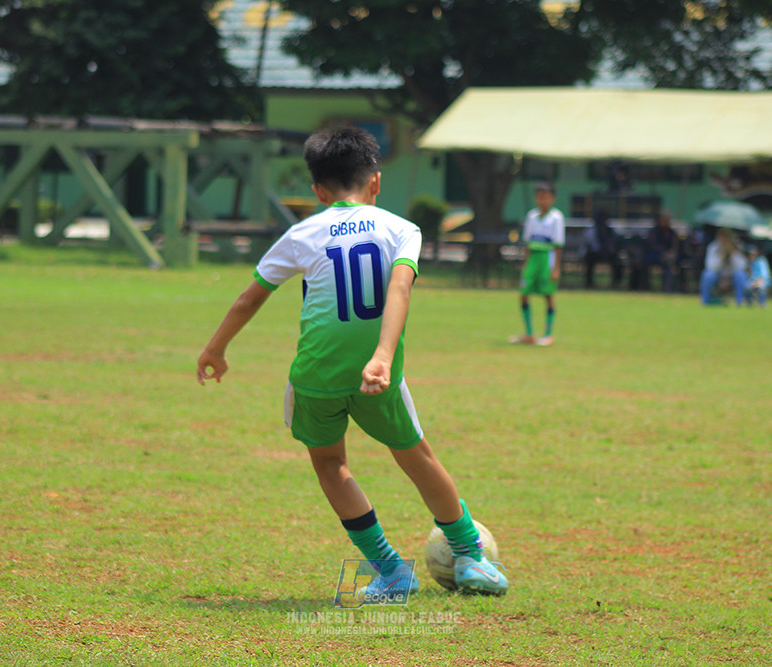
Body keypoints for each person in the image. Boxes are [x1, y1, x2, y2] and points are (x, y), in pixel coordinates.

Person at [196, 126, 508, 597]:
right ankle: (469, 557)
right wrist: (381, 356)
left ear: (318, 192)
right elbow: (399, 289)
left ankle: (391, 572)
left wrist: (215, 349)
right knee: (418, 458)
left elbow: (248, 298)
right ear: (376, 181)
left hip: (316, 377)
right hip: (378, 377)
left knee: (330, 464)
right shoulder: (401, 229)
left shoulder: (302, 233)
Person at [510, 181, 564, 346]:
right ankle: (529, 333)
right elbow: (527, 242)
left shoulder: (556, 218)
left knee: (548, 295)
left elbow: (558, 245)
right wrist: (526, 264)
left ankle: (548, 334)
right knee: (524, 293)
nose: (542, 200)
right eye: (539, 197)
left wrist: (556, 268)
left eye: (545, 197)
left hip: (547, 258)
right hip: (533, 258)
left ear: (553, 198)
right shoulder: (532, 217)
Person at [699, 227, 748, 305]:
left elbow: (742, 266)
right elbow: (711, 266)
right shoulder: (713, 247)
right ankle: (705, 301)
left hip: (732, 274)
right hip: (718, 274)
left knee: (741, 275)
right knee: (708, 275)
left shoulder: (738, 246)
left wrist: (732, 252)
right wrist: (721, 256)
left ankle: (739, 301)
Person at [582, 209, 622, 289]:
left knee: (617, 261)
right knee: (589, 259)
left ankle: (616, 283)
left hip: (608, 253)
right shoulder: (591, 231)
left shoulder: (610, 231)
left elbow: (614, 243)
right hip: (595, 253)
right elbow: (588, 244)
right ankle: (589, 283)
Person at [642, 211, 680, 292]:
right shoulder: (654, 232)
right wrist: (664, 252)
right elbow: (653, 245)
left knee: (671, 261)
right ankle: (667, 288)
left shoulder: (671, 233)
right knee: (667, 262)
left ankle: (670, 287)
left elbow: (675, 245)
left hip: (669, 257)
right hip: (654, 255)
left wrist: (672, 252)